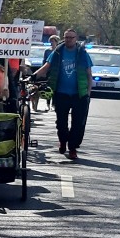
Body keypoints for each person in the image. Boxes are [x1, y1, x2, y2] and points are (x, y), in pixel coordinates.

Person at [33, 29, 93, 160]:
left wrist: (88, 93)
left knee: (78, 123)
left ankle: (72, 148)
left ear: (76, 38)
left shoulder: (82, 53)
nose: (68, 40)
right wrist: (33, 76)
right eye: (66, 37)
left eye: (71, 37)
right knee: (61, 122)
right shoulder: (58, 52)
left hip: (79, 94)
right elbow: (46, 66)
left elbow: (89, 74)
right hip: (61, 93)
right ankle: (63, 141)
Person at [42, 35, 60, 111]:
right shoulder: (47, 51)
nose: (52, 43)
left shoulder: (59, 51)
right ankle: (48, 104)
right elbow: (44, 61)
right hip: (49, 72)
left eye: (53, 41)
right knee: (48, 88)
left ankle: (54, 104)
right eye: (51, 41)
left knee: (56, 89)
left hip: (57, 72)